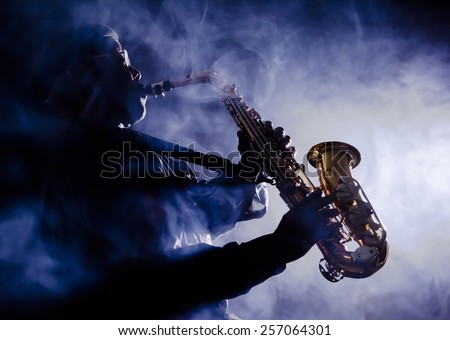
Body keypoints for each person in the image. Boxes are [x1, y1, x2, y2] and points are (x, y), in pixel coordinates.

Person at [1, 24, 339, 320]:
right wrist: (281, 246)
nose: (136, 74)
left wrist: (250, 169)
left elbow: (194, 219)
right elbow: (157, 284)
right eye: (121, 61)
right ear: (81, 77)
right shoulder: (86, 157)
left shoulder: (121, 149)